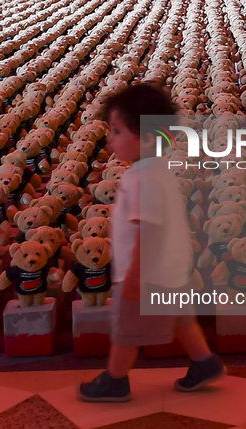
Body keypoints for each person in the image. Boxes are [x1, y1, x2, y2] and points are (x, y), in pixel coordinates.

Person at [77, 84, 225, 402]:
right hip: (169, 270)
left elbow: (149, 229)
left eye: (116, 131)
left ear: (145, 137)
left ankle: (115, 380)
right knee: (182, 319)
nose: (110, 139)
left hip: (146, 276)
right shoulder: (154, 171)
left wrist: (134, 276)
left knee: (127, 330)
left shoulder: (144, 178)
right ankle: (204, 362)